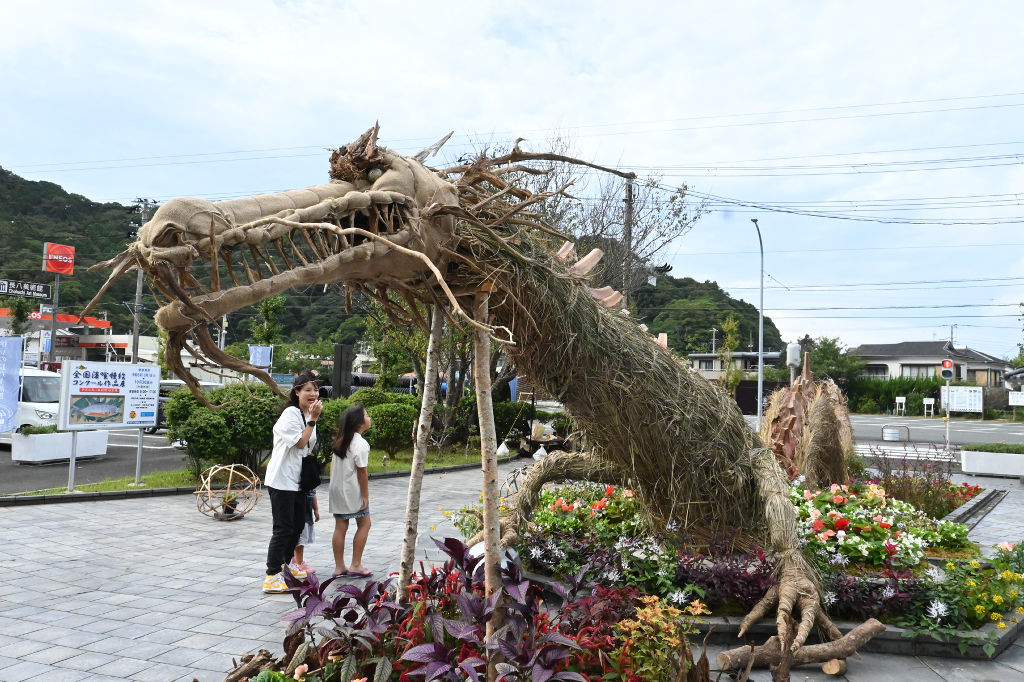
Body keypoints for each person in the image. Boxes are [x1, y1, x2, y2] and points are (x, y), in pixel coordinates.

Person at [263, 369, 323, 594]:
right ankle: (271, 575)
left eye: (315, 390)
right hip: (281, 480)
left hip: (297, 481)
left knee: (297, 525)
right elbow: (300, 443)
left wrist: (311, 419)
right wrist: (313, 420)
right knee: (283, 528)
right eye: (308, 390)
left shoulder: (305, 415)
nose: (313, 394)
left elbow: (308, 447)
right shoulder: (290, 414)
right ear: (296, 392)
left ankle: (283, 568)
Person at [329, 403, 372, 578]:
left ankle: (339, 567)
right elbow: (362, 471)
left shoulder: (341, 440)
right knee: (365, 523)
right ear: (359, 422)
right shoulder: (360, 443)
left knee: (340, 526)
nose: (369, 418)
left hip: (336, 490)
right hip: (352, 490)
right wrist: (365, 496)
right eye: (367, 415)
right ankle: (355, 565)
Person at [291, 490, 320, 575]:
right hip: (298, 514)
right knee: (300, 540)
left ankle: (295, 560)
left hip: (306, 514)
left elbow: (313, 493)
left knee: (301, 539)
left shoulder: (310, 484)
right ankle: (299, 564)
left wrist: (316, 510)